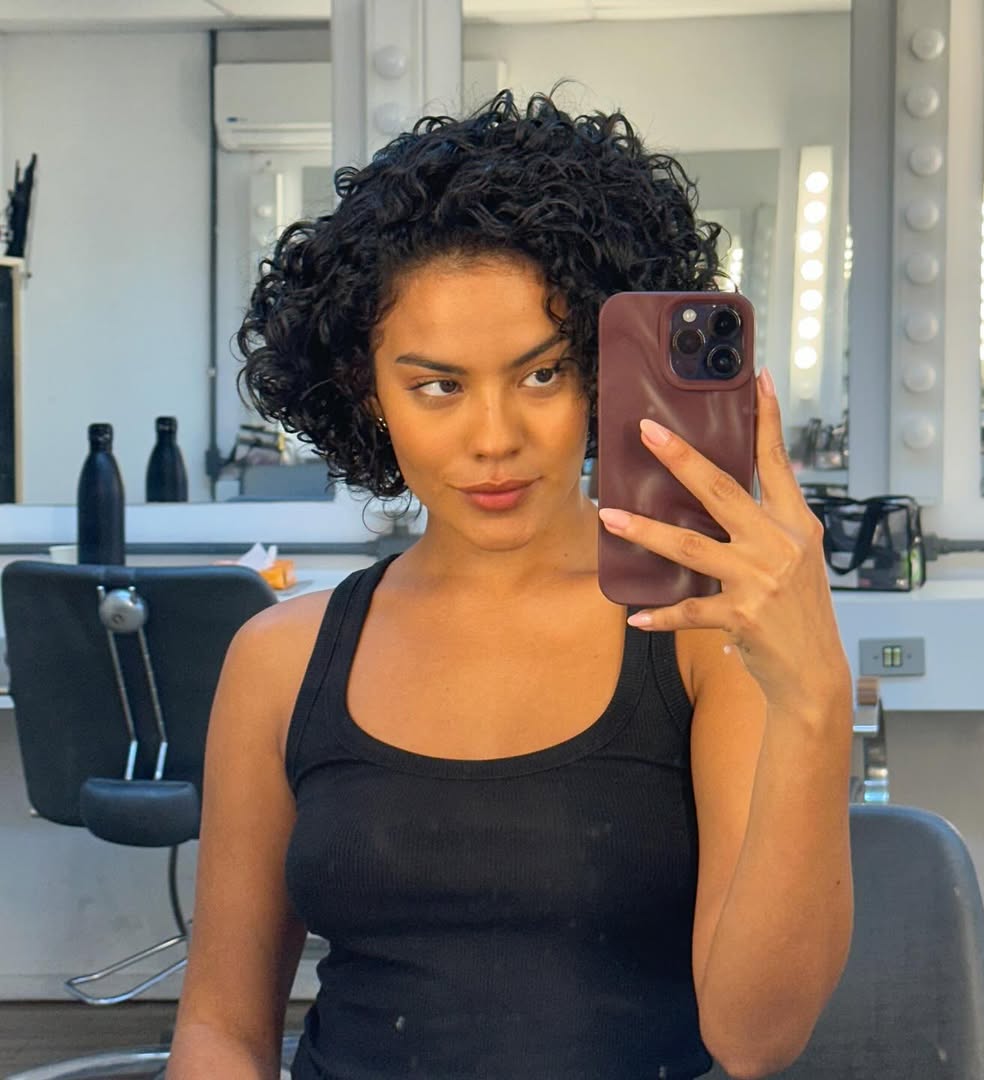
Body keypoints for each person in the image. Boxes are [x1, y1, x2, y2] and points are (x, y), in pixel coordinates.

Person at [166, 90, 854, 1080]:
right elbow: (220, 1029)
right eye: (438, 385)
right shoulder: (278, 661)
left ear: (602, 375)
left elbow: (755, 1039)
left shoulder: (701, 632)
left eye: (540, 375)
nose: (495, 438)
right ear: (368, 390)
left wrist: (814, 694)